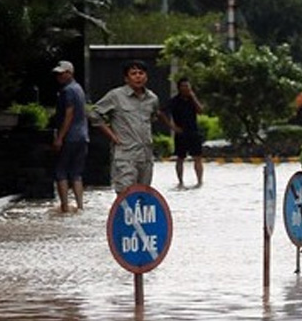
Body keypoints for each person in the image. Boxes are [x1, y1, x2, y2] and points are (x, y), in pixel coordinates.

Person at [90, 60, 176, 192]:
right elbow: (94, 113)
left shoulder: (152, 98)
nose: (138, 76)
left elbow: (152, 117)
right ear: (126, 78)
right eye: (133, 73)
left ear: (146, 77)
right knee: (125, 192)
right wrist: (112, 136)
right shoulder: (116, 96)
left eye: (141, 73)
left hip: (146, 156)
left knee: (143, 194)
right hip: (125, 154)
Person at [51, 60, 88, 212]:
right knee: (76, 173)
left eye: (62, 73)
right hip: (82, 136)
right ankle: (80, 206)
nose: (59, 76)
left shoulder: (67, 91)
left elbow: (69, 114)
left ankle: (65, 206)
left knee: (61, 171)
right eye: (57, 73)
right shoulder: (79, 89)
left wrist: (59, 137)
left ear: (70, 73)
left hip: (70, 137)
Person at [165, 77, 204, 188]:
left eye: (188, 86)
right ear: (179, 88)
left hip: (193, 131)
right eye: (184, 86)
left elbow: (200, 111)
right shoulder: (174, 101)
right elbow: (161, 113)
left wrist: (193, 97)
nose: (186, 88)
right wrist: (172, 126)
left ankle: (199, 181)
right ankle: (180, 181)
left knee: (197, 157)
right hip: (181, 132)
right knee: (180, 158)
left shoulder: (193, 100)